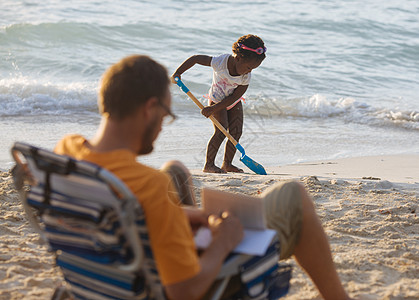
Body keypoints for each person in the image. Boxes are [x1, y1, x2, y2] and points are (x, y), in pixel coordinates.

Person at [54, 54, 351, 300]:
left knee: (175, 171)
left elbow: (131, 214)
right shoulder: (148, 185)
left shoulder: (67, 153)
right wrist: (224, 242)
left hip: (108, 274)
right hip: (176, 284)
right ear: (149, 110)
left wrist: (184, 217)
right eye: (165, 115)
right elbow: (183, 291)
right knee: (293, 196)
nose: (161, 127)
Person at [171, 34, 266, 174]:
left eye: (253, 69)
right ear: (238, 58)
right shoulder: (220, 62)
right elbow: (196, 59)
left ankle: (227, 164)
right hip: (216, 99)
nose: (249, 71)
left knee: (236, 133)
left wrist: (214, 109)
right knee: (221, 132)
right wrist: (178, 73)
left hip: (232, 102)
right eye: (248, 67)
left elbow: (234, 97)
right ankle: (209, 165)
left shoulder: (246, 77)